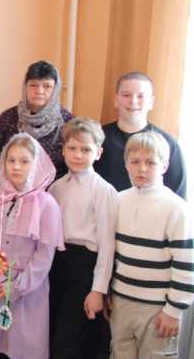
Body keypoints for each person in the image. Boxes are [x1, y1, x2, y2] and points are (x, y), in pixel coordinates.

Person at [0, 133, 64, 359]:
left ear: (36, 164)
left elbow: (44, 255)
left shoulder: (46, 204)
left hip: (27, 286)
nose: (16, 167)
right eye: (11, 160)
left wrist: (18, 286)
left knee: (21, 341)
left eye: (24, 161)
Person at [109, 132, 194, 358]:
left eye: (151, 162)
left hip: (159, 308)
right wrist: (110, 292)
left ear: (164, 166)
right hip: (121, 301)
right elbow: (112, 254)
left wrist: (174, 311)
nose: (142, 169)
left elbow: (186, 265)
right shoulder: (118, 200)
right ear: (126, 164)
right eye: (135, 162)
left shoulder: (176, 208)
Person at [48, 118, 119, 359]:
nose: (78, 155)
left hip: (85, 267)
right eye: (72, 148)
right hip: (57, 263)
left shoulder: (104, 191)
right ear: (63, 150)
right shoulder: (56, 188)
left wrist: (98, 290)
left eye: (86, 149)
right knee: (51, 329)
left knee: (68, 338)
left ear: (98, 153)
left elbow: (107, 245)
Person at [0, 60, 73, 198]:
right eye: (33, 85)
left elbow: (72, 167)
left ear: (56, 89)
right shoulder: (8, 117)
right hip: (9, 198)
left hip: (52, 199)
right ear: (25, 87)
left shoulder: (67, 122)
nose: (39, 91)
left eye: (47, 86)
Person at [95, 72, 186, 198]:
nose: (133, 101)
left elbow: (178, 195)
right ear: (116, 100)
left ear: (151, 102)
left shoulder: (168, 143)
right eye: (126, 95)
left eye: (141, 96)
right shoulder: (97, 138)